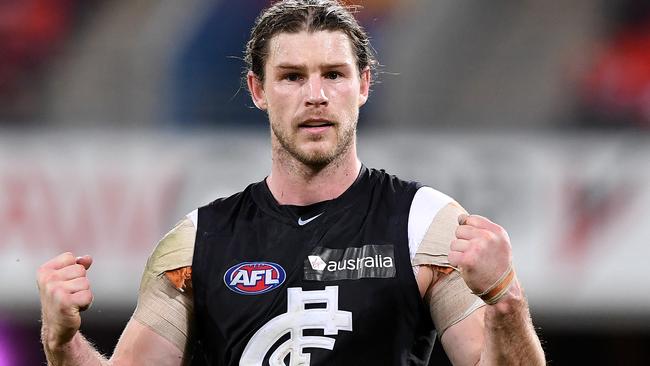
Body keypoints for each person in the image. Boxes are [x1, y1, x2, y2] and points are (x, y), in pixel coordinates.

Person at [36, 0, 546, 365]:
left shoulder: (426, 227)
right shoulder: (197, 244)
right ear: (258, 90)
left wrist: (505, 299)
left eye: (334, 74)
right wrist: (63, 344)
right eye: (292, 77)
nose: (316, 96)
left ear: (364, 85)